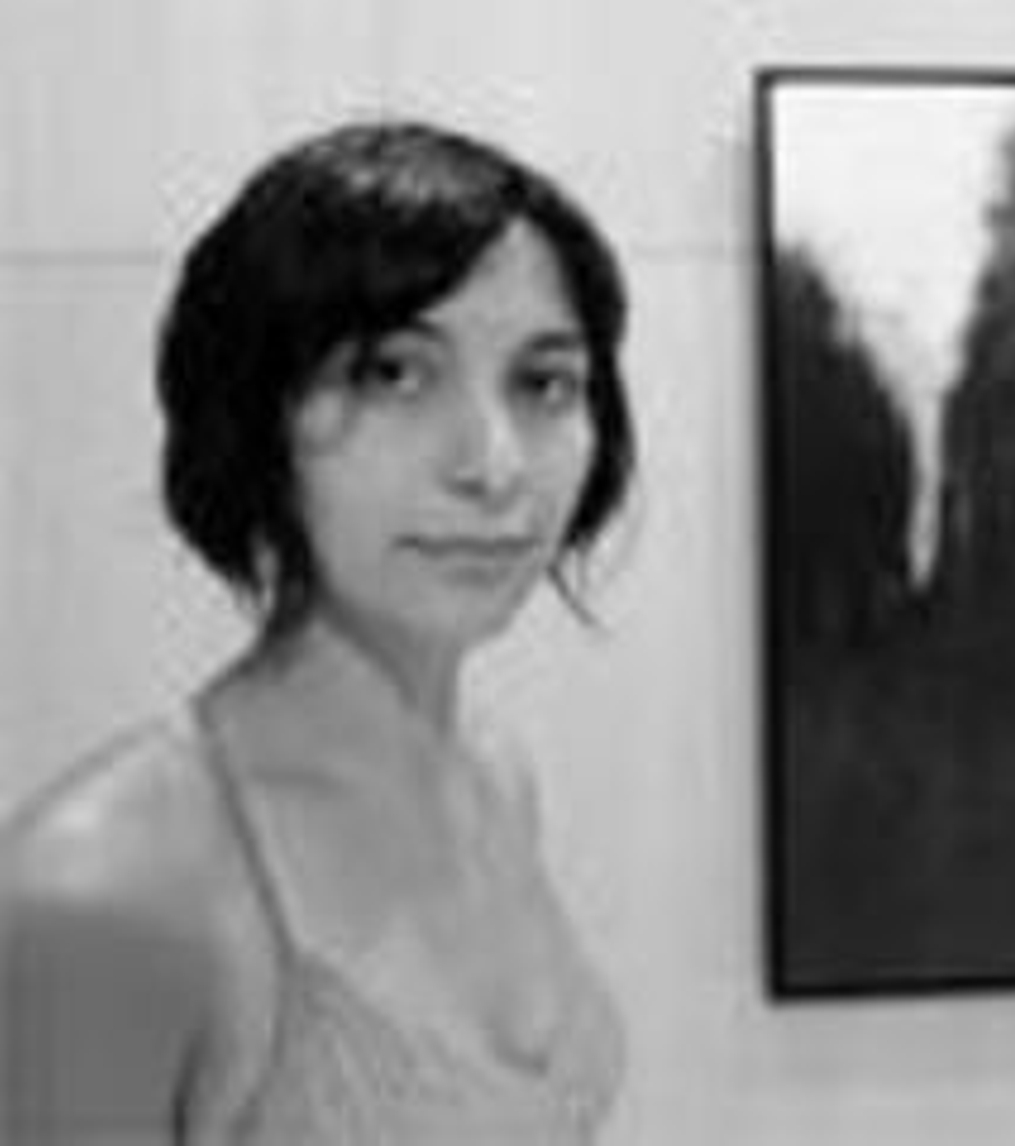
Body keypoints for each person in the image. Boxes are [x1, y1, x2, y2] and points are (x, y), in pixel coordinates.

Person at [0, 120, 634, 1144]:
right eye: (393, 374)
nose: (494, 465)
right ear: (253, 415)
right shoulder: (102, 887)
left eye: (543, 382)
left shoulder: (495, 775)